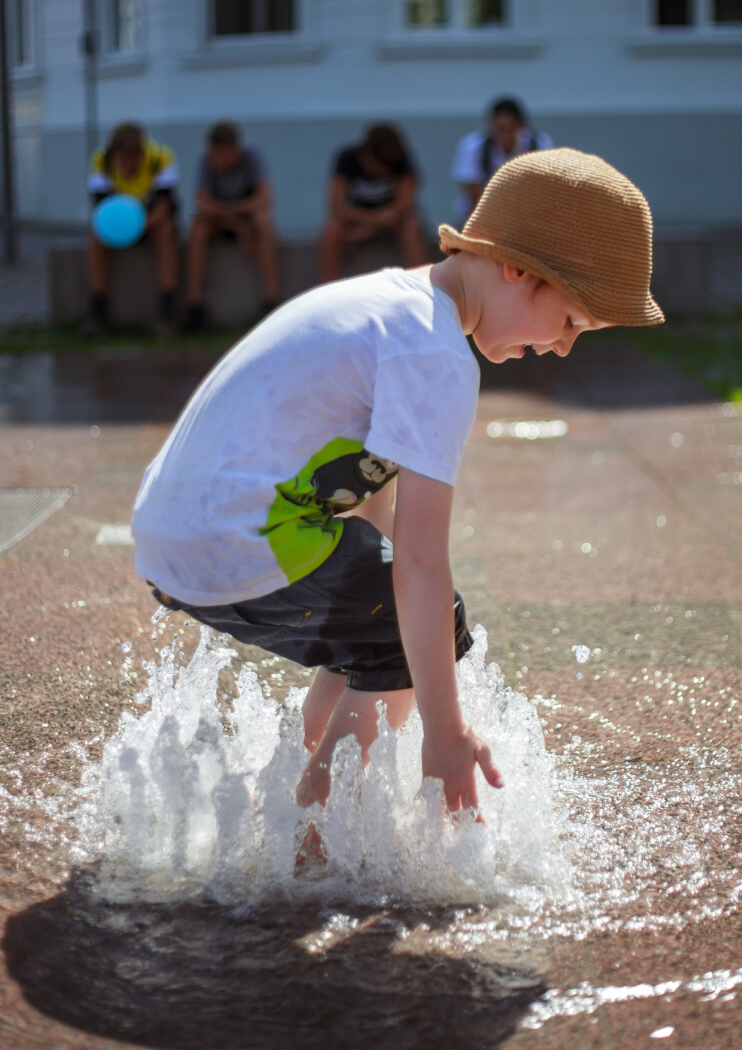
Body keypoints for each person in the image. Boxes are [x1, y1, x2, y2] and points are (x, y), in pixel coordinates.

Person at [132, 148, 663, 847]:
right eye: (569, 321)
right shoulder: (436, 354)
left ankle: (304, 772)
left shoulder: (395, 305)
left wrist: (376, 668)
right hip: (238, 536)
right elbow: (418, 564)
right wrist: (445, 728)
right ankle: (311, 836)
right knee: (429, 622)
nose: (563, 348)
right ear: (519, 270)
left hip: (174, 532)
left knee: (379, 623)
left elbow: (374, 535)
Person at [85, 122, 180, 336]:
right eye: (124, 159)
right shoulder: (102, 161)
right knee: (95, 236)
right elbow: (101, 208)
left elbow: (164, 206)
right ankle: (97, 310)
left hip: (150, 221)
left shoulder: (161, 157)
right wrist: (119, 228)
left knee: (166, 232)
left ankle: (167, 307)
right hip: (117, 222)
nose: (128, 164)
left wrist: (140, 225)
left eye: (132, 158)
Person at [185, 122, 279, 332]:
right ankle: (195, 304)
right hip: (222, 221)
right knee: (198, 229)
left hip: (244, 217)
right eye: (216, 156)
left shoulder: (252, 158)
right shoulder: (205, 161)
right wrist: (238, 227)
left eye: (225, 156)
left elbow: (264, 199)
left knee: (263, 221)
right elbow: (202, 203)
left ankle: (270, 299)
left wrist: (233, 213)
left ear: (237, 150)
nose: (220, 162)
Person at [319, 123, 429, 282]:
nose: (387, 171)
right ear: (367, 156)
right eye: (383, 165)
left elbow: (403, 205)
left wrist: (368, 230)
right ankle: (327, 288)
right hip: (359, 218)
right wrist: (373, 219)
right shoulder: (347, 158)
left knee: (412, 227)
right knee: (332, 230)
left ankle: (421, 285)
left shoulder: (404, 160)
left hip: (392, 221)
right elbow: (337, 206)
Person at [451, 97, 554, 226]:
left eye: (512, 128)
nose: (506, 135)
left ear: (522, 125)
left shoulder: (539, 144)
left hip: (527, 216)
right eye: (501, 128)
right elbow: (473, 194)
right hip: (481, 216)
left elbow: (543, 189)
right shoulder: (473, 146)